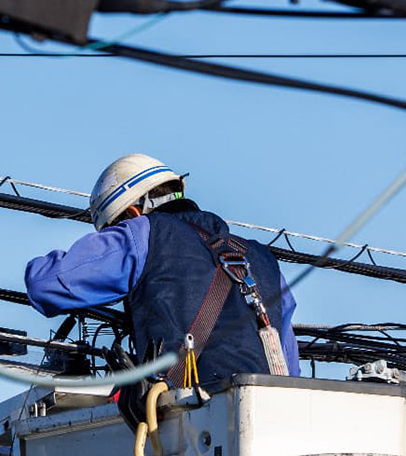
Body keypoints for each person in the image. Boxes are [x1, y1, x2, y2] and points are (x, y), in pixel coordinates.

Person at [25, 154, 299, 388]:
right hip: (273, 421)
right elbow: (290, 367)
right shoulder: (264, 260)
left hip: (187, 422)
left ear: (132, 212)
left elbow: (46, 283)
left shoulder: (141, 233)